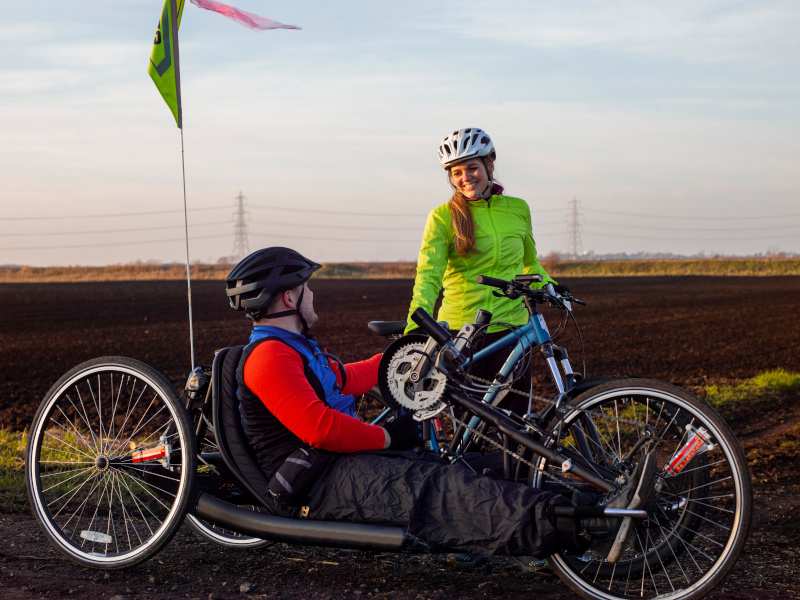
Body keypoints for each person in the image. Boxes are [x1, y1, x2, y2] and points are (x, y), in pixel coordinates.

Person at [225, 246, 655, 559]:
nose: (313, 296)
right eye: (307, 288)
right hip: (319, 480)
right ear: (288, 298)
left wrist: (420, 353)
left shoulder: (297, 348)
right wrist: (387, 434)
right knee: (443, 492)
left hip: (341, 464)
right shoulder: (268, 357)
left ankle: (601, 498)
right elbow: (321, 428)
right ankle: (591, 524)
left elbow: (350, 376)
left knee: (485, 468)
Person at [406, 128, 559, 414]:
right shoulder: (442, 217)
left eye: (472, 168)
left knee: (515, 424)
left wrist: (549, 285)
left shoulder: (518, 209)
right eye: (456, 173)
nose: (466, 178)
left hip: (513, 332)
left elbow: (531, 264)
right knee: (469, 432)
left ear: (490, 164)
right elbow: (429, 275)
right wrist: (417, 325)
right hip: (462, 334)